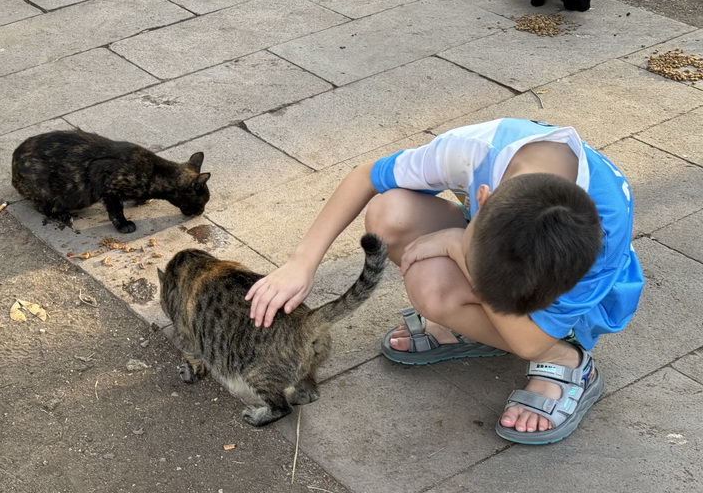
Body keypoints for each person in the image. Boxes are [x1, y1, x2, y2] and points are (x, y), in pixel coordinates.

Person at [246, 118, 643, 444]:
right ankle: (474, 324)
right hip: (510, 251)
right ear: (483, 198)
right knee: (390, 213)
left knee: (525, 338)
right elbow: (366, 177)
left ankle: (566, 358)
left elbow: (530, 340)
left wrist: (458, 247)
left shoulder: (601, 230)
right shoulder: (472, 150)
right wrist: (302, 263)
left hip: (567, 302)